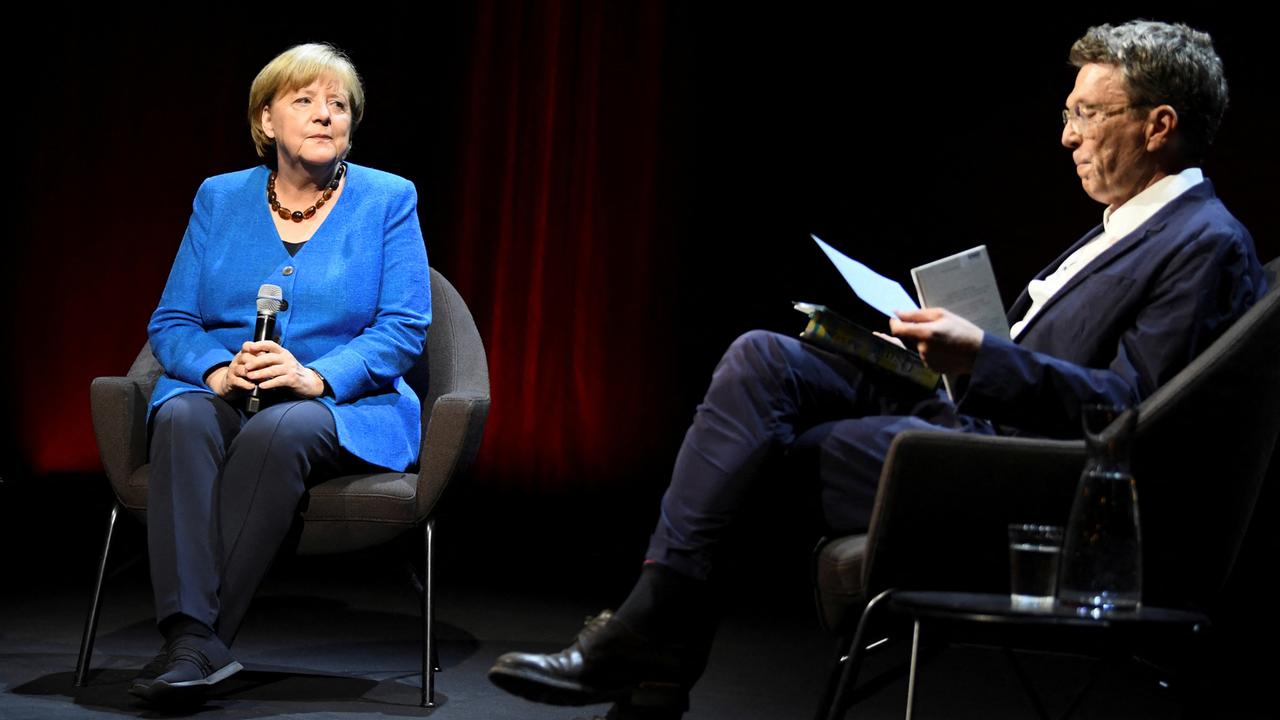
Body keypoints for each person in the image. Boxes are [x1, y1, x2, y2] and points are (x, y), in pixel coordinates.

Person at [488, 19, 1267, 718]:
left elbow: (1130, 414)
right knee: (764, 357)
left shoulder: (1204, 241)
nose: (1067, 136)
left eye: (1087, 114)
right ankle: (650, 646)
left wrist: (983, 355)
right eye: (1069, 113)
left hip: (1021, 471)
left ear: (1159, 125)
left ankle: (648, 645)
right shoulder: (1125, 228)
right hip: (972, 413)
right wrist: (942, 354)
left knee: (749, 461)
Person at [131, 43, 431, 707]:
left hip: (339, 404)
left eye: (339, 105)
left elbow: (404, 327)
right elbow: (173, 320)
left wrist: (315, 377)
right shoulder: (218, 197)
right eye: (305, 101)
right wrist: (213, 371)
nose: (325, 115)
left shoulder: (388, 199)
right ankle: (196, 643)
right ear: (266, 120)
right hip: (225, 390)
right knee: (180, 415)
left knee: (282, 429)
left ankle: (193, 643)